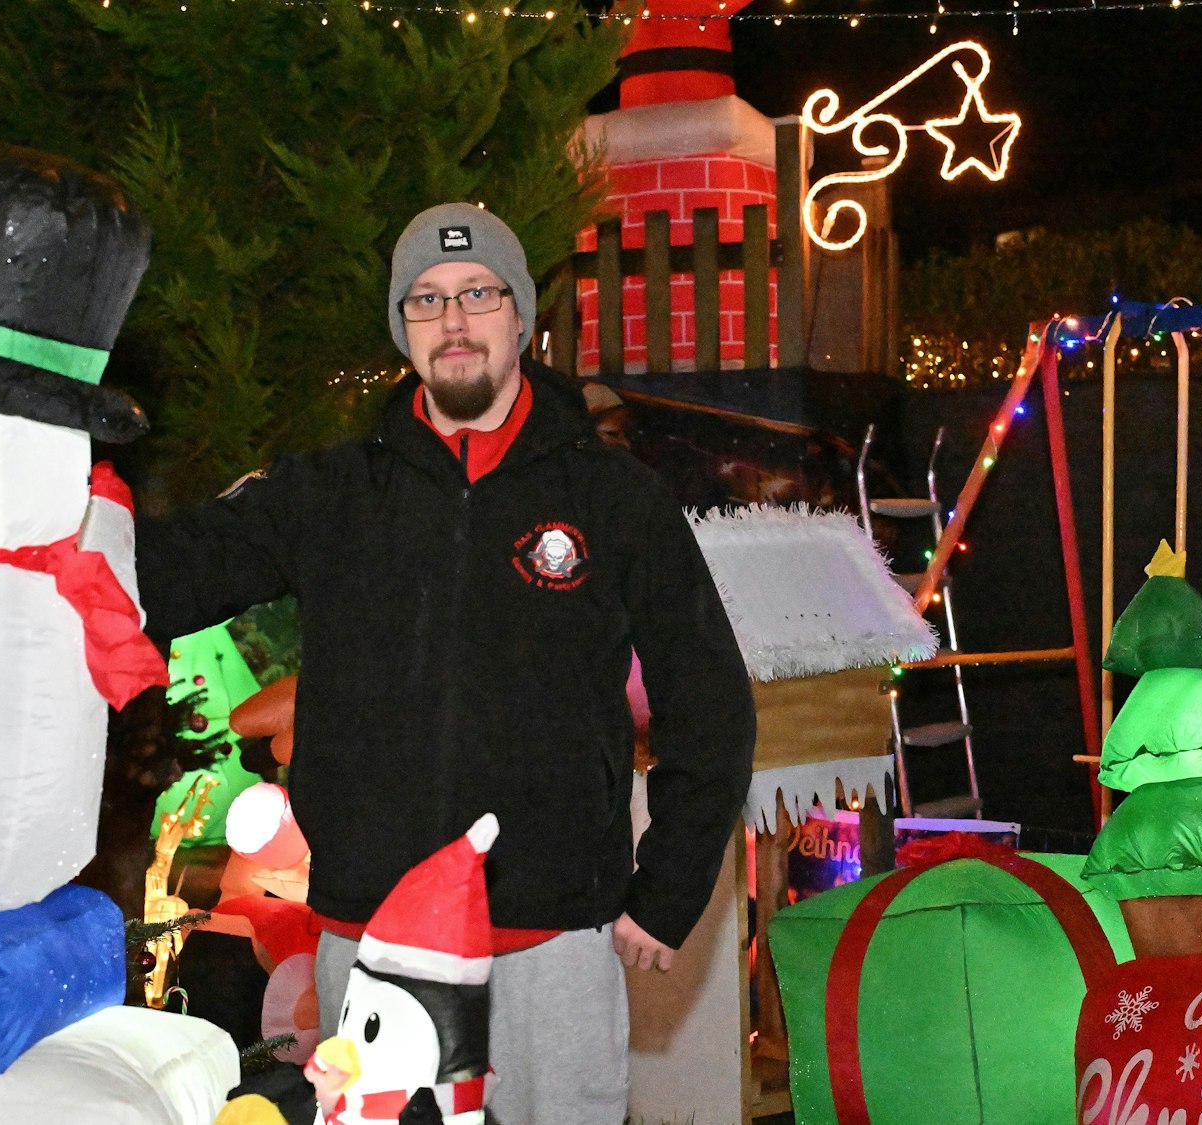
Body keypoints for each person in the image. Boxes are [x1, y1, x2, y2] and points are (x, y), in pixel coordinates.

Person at [135, 202, 756, 1124]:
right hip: (373, 941)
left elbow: (709, 700)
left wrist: (668, 889)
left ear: (521, 318)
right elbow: (163, 574)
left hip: (552, 940)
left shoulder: (614, 498)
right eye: (425, 301)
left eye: (477, 293)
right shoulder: (331, 494)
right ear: (402, 330)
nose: (454, 320)